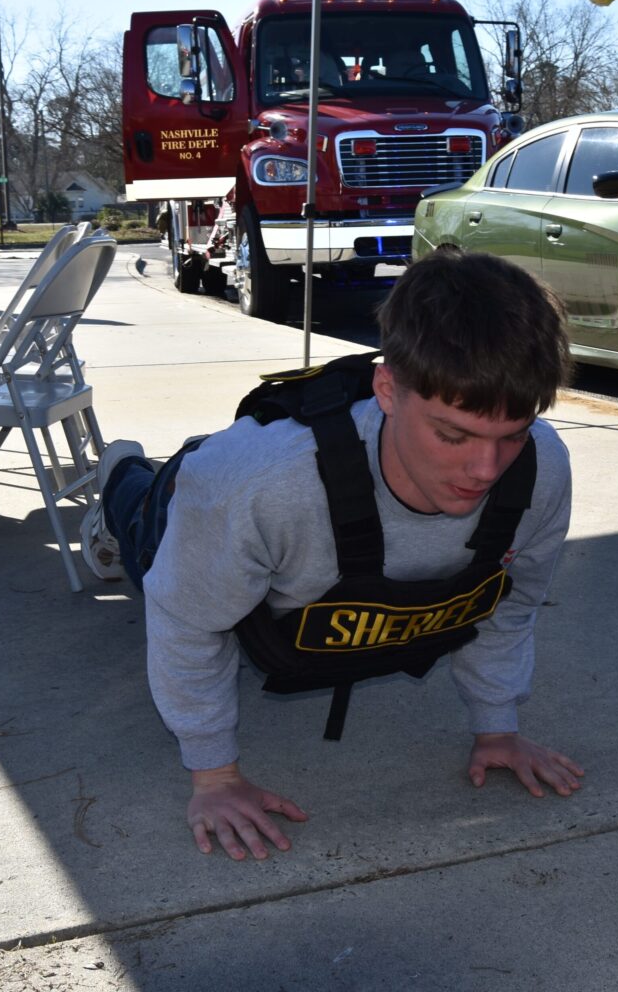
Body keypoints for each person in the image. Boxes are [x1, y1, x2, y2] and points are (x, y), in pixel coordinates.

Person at [81, 248, 584, 862]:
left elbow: (508, 603)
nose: (485, 469)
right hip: (192, 500)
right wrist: (214, 777)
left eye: (512, 435)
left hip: (258, 505)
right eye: (453, 435)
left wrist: (497, 727)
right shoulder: (258, 488)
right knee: (142, 519)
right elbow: (186, 621)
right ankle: (118, 472)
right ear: (387, 390)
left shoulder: (540, 468)